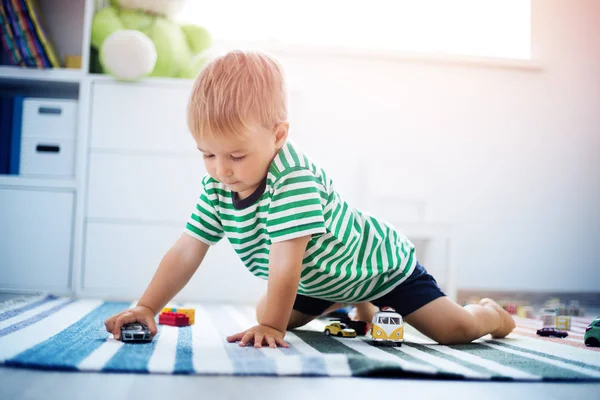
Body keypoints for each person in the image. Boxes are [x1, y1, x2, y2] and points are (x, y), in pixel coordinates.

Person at [104, 50, 515, 347]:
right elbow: (188, 249)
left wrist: (273, 328)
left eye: (236, 155)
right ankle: (345, 299)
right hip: (317, 277)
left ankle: (491, 315)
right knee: (265, 310)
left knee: (453, 332)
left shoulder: (293, 179)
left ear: (279, 136)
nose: (220, 169)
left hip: (378, 266)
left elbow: (285, 264)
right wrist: (146, 306)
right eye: (207, 154)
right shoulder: (219, 183)